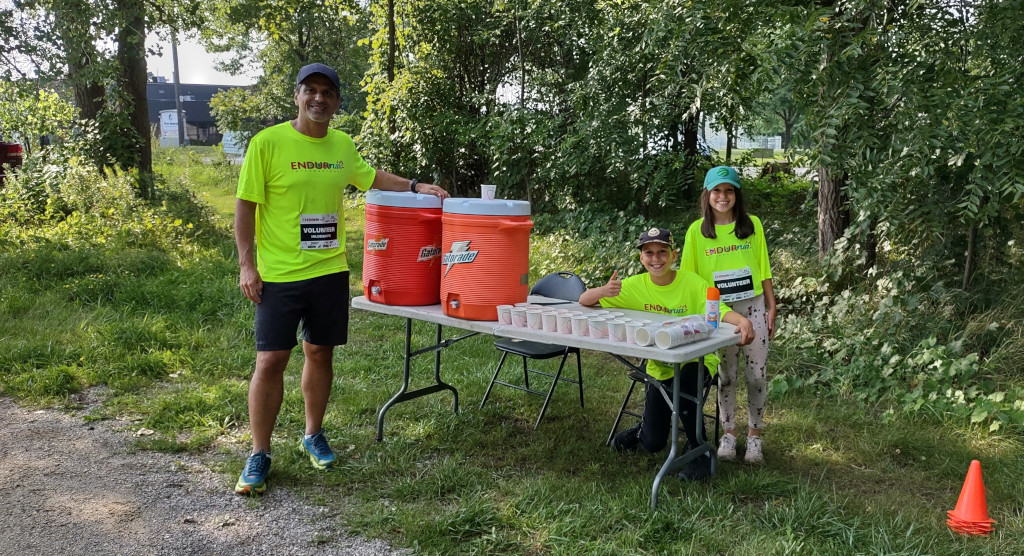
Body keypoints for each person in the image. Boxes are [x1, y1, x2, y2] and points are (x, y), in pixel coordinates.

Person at [233, 63, 449, 495]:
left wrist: (416, 185)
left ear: (336, 101)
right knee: (270, 361)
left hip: (330, 271)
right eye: (311, 90)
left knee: (319, 354)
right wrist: (247, 264)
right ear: (296, 95)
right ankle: (259, 453)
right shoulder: (268, 143)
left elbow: (369, 177)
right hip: (278, 275)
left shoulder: (342, 145)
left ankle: (313, 433)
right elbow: (245, 207)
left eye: (328, 92)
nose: (319, 99)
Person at [579, 227, 754, 481]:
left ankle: (701, 453)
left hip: (696, 360)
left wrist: (742, 321)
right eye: (649, 253)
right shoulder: (633, 286)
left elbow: (719, 311)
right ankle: (643, 431)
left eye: (662, 252)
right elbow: (584, 300)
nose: (656, 258)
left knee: (685, 389)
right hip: (660, 366)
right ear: (641, 258)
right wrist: (604, 291)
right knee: (652, 444)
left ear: (674, 255)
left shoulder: (692, 282)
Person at [681, 165, 776, 464]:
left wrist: (772, 306)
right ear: (707, 195)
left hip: (752, 306)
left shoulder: (753, 225)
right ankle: (729, 433)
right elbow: (688, 279)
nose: (723, 197)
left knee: (757, 375)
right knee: (727, 375)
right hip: (717, 313)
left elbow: (764, 269)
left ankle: (754, 437)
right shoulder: (697, 232)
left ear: (737, 194)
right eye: (717, 191)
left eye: (729, 190)